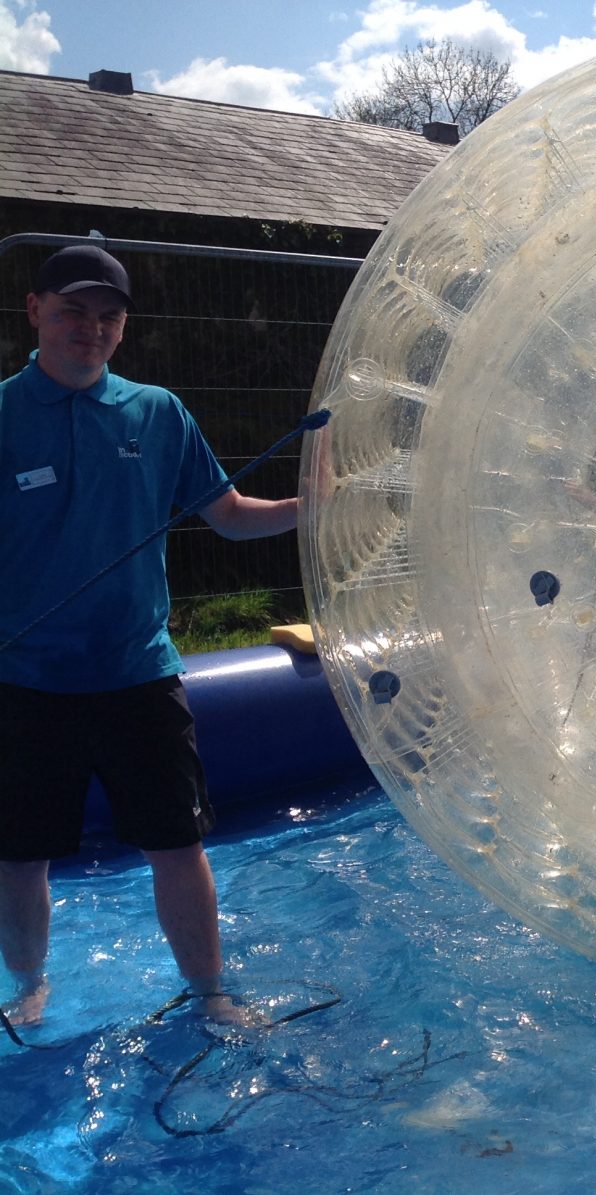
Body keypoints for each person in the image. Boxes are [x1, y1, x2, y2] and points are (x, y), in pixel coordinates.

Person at [0, 246, 301, 1028]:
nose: (91, 328)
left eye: (109, 316)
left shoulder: (158, 412)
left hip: (140, 676)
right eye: (73, 311)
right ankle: (26, 989)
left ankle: (210, 994)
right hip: (25, 680)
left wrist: (310, 507)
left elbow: (229, 516)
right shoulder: (3, 414)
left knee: (178, 846)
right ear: (34, 311)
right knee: (19, 855)